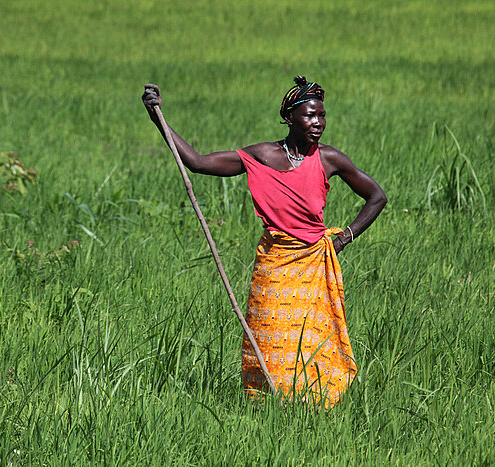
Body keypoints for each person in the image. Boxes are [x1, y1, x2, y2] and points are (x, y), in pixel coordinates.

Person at [142, 76, 387, 407]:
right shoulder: (261, 156)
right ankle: (266, 408)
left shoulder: (329, 159)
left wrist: (345, 237)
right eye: (309, 115)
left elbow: (376, 197)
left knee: (314, 341)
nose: (318, 123)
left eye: (322, 115)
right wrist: (158, 118)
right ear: (289, 118)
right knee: (268, 338)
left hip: (313, 264)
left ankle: (313, 408)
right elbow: (198, 163)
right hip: (274, 264)